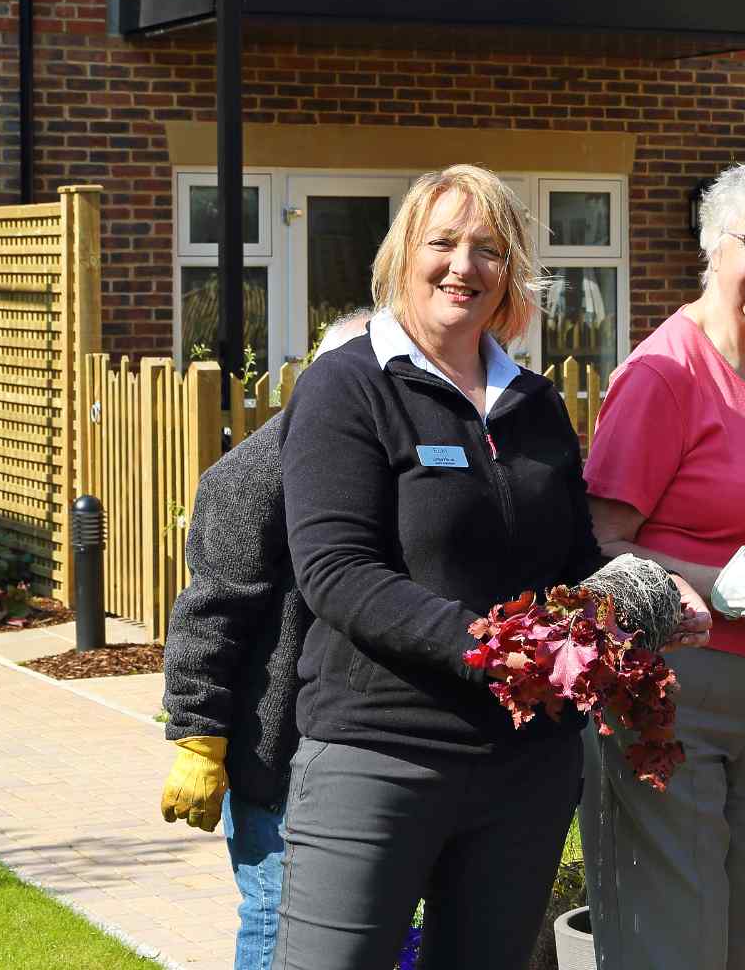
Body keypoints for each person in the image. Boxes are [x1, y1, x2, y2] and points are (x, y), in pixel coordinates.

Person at [272, 164, 708, 970]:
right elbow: (337, 572)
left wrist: (644, 600)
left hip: (525, 769)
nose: (463, 266)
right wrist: (495, 648)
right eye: (442, 243)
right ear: (404, 254)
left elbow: (574, 562)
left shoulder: (533, 402)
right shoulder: (348, 388)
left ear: (510, 272)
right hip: (380, 754)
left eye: (488, 249)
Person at [581, 146, 745, 970]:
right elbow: (599, 544)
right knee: (677, 935)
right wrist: (734, 586)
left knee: (744, 940)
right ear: (715, 246)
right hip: (668, 688)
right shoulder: (666, 372)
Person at [158, 309, 372, 970]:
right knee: (275, 913)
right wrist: (198, 737)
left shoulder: (380, 466)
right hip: (269, 751)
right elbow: (209, 612)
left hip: (352, 743)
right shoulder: (253, 474)